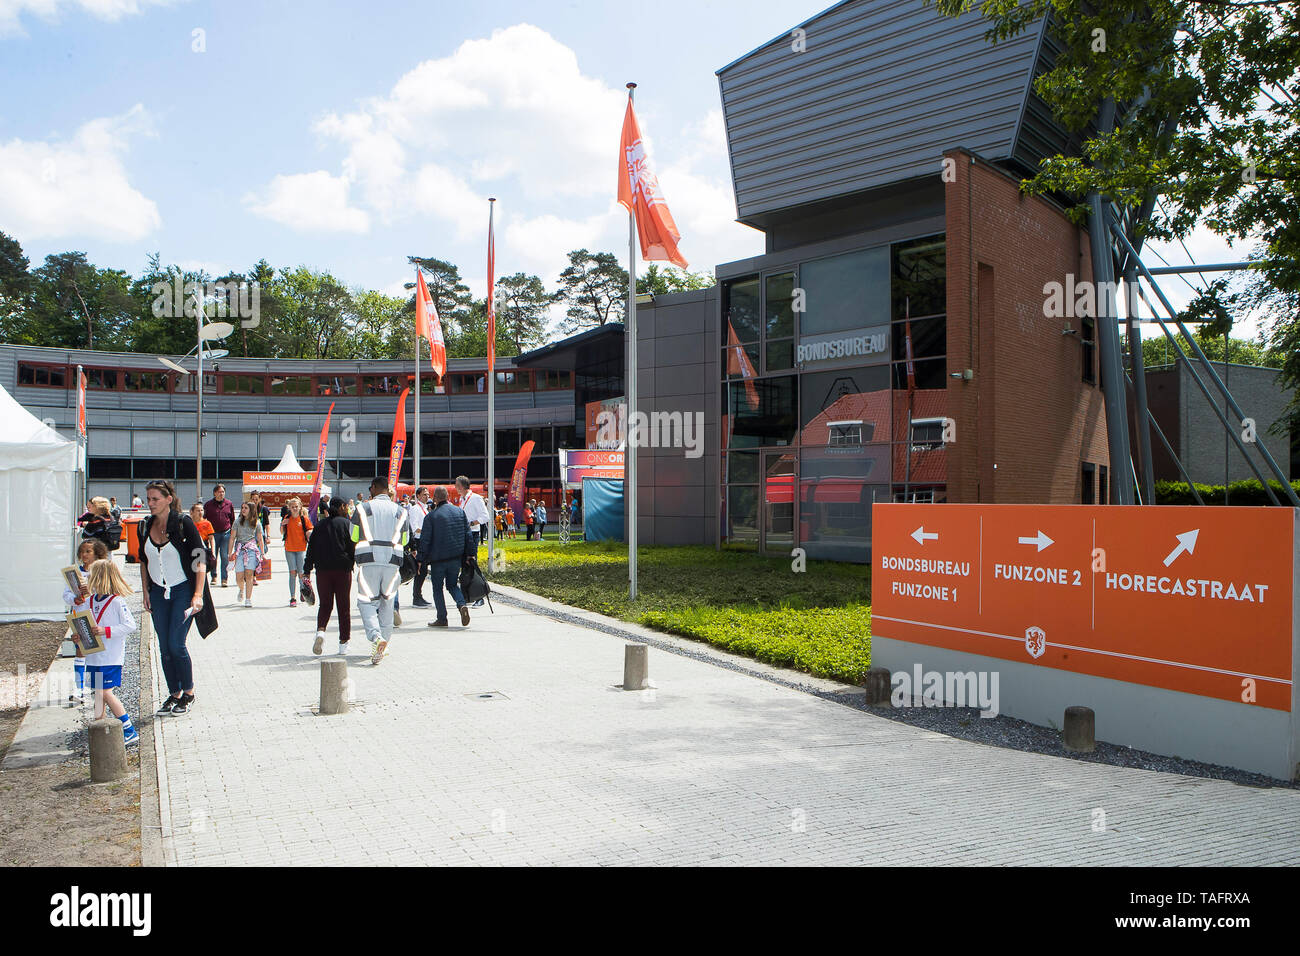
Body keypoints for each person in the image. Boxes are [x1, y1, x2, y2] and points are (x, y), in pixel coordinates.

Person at [137, 479, 206, 717]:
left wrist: (198, 594)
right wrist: (145, 591)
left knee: (176, 644)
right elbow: (143, 562)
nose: (150, 503)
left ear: (168, 499)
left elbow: (200, 559)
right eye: (148, 499)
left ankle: (188, 692)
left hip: (182, 590)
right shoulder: (145, 526)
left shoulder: (183, 523)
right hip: (158, 593)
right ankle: (174, 693)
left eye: (155, 499)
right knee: (164, 647)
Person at [350, 477, 409, 665]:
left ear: (374, 488)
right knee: (387, 603)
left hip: (368, 560)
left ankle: (376, 638)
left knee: (366, 602)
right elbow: (405, 539)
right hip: (393, 562)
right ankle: (384, 643)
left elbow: (353, 535)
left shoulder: (362, 508)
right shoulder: (401, 511)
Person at [84, 559, 140, 745]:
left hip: (110, 656)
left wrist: (105, 631)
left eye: (91, 575)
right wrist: (79, 637)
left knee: (105, 692)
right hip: (93, 656)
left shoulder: (117, 601)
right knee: (98, 693)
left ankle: (128, 729)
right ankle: (100, 732)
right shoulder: (89, 601)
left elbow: (130, 625)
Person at [304, 497, 356, 656]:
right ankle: (343, 643)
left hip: (323, 571)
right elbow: (353, 547)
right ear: (341, 506)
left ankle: (320, 632)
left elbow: (310, 550)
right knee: (343, 607)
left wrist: (307, 570)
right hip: (342, 570)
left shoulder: (319, 526)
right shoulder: (348, 525)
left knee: (325, 605)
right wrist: (351, 563)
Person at [419, 485, 475, 629]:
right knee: (452, 585)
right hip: (455, 558)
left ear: (435, 499)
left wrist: (420, 559)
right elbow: (468, 535)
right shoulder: (459, 512)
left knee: (437, 588)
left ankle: (442, 618)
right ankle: (461, 605)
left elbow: (425, 541)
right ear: (448, 497)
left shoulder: (431, 517)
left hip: (438, 560)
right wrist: (470, 554)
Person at [62, 537, 109, 705]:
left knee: (98, 653)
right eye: (82, 551)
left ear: (97, 553)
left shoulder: (103, 571)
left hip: (99, 618)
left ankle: (98, 687)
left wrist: (91, 590)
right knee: (81, 651)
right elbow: (66, 594)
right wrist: (75, 598)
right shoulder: (75, 572)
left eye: (88, 551)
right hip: (80, 617)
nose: (84, 554)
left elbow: (108, 591)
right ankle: (79, 689)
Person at [230, 501, 265, 607]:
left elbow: (260, 539)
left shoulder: (257, 523)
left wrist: (262, 554)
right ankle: (241, 589)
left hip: (251, 550)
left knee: (249, 575)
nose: (243, 510)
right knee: (239, 577)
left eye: (246, 508)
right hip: (240, 550)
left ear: (251, 510)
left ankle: (248, 599)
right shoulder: (237, 522)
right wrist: (230, 553)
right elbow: (232, 538)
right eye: (242, 508)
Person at [280, 497, 313, 607]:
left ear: (300, 507)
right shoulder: (287, 518)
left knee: (301, 573)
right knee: (292, 572)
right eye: (292, 507)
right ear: (289, 508)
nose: (294, 509)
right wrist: (283, 524)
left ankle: (302, 591)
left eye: (296, 507)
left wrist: (309, 533)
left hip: (301, 548)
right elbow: (282, 532)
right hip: (289, 548)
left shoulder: (303, 519)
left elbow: (310, 529)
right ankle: (292, 597)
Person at [204, 484, 235, 587]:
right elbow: (204, 520)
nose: (221, 494)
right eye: (219, 492)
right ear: (214, 493)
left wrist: (233, 533)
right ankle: (214, 576)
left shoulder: (229, 504)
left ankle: (224, 578)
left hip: (226, 534)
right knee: (213, 556)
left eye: (223, 492)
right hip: (213, 535)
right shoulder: (208, 505)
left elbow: (232, 520)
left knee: (224, 556)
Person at [407, 487, 431, 608]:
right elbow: (414, 527)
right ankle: (416, 597)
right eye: (424, 494)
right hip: (419, 541)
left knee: (423, 570)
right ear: (418, 496)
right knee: (420, 570)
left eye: (428, 494)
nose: (427, 496)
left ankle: (418, 595)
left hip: (425, 541)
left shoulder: (426, 509)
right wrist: (428, 531)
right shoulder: (416, 509)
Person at [456, 476, 491, 548]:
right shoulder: (461, 499)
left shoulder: (476, 498)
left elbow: (486, 517)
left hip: (472, 533)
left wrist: (471, 523)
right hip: (462, 533)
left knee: (471, 558)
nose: (455, 487)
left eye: (456, 485)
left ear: (461, 486)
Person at [189, 503, 215, 573]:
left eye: (201, 510)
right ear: (192, 512)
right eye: (198, 510)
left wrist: (212, 551)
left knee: (202, 568)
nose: (200, 512)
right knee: (192, 568)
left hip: (203, 546)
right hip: (191, 546)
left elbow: (211, 538)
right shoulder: (189, 523)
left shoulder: (207, 523)